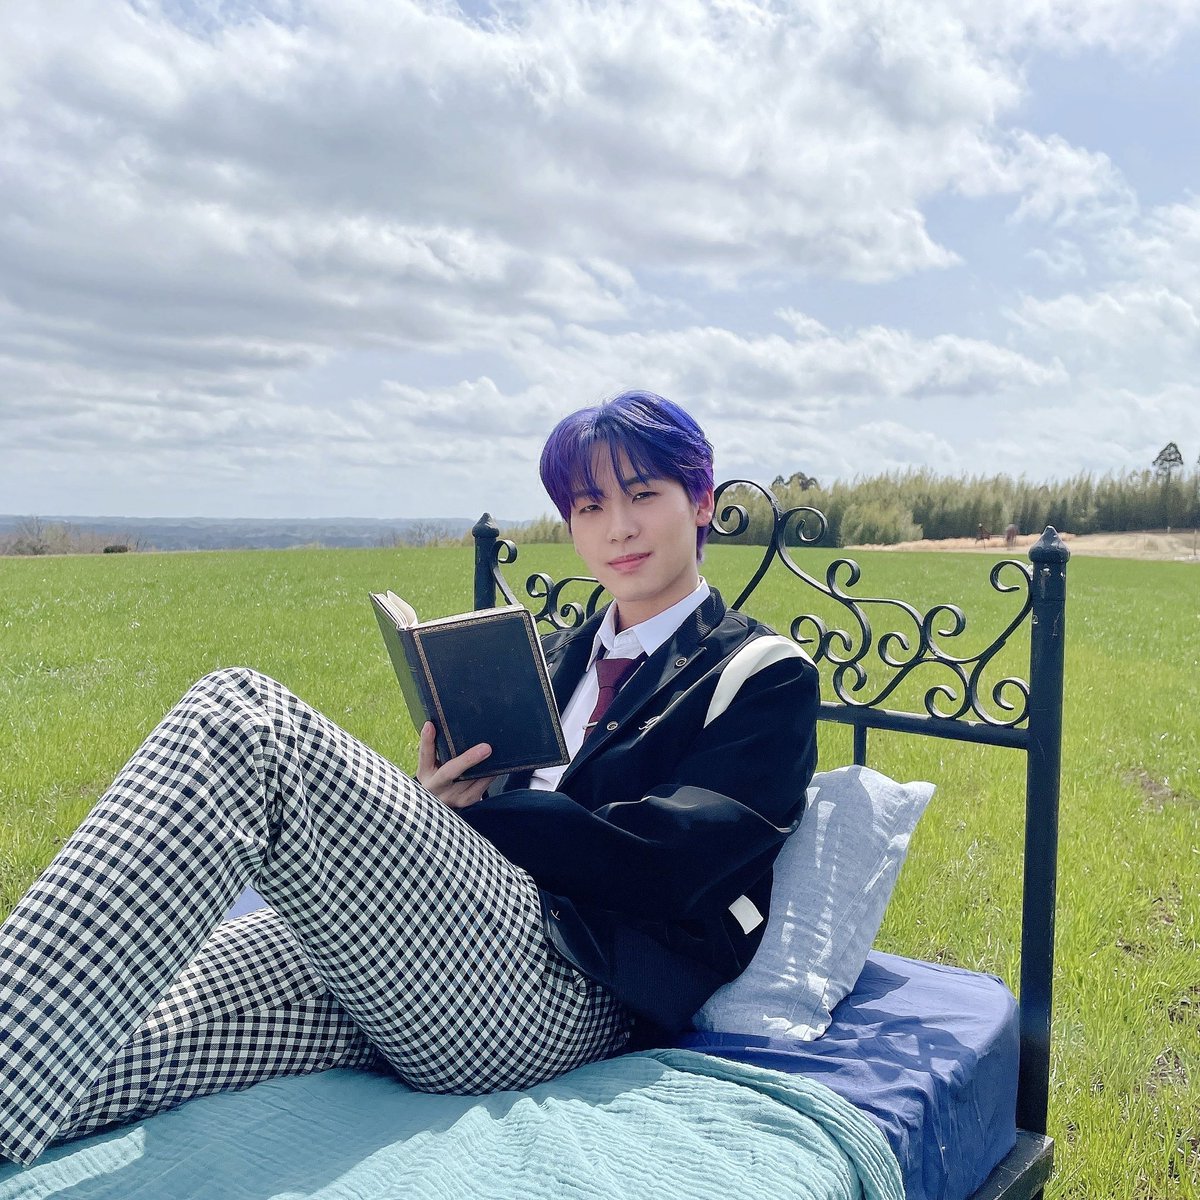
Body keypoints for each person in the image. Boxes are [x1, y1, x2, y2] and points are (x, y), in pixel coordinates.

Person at [0, 391, 819, 1168]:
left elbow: (669, 864)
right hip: (432, 964)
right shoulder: (548, 657)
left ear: (701, 501)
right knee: (146, 1027)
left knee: (243, 718)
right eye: (589, 507)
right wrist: (437, 803)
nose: (618, 527)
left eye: (642, 494)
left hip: (572, 990)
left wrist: (468, 825)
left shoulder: (761, 674)